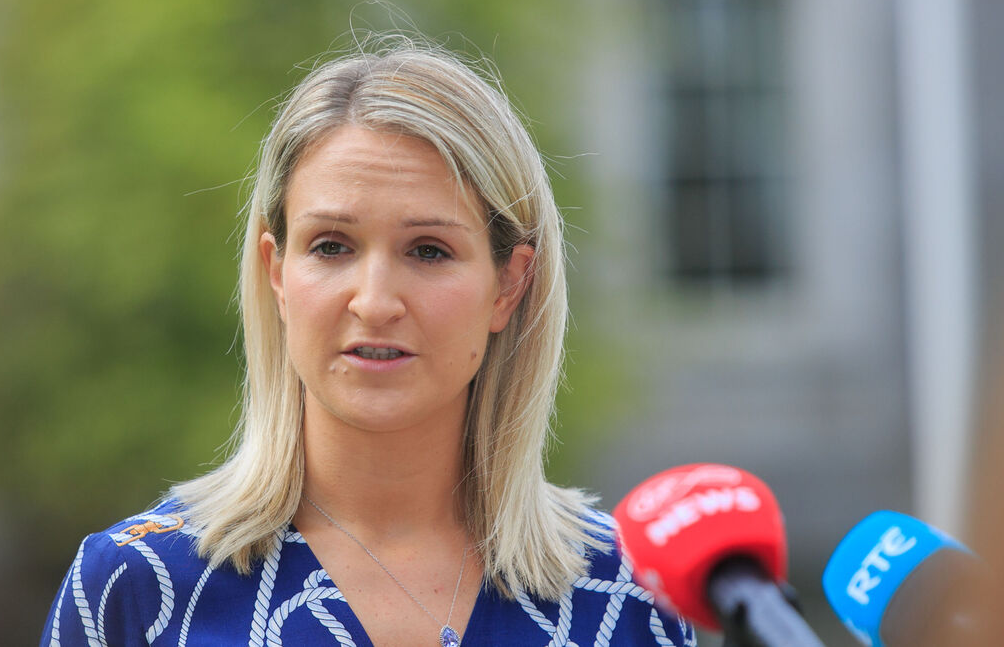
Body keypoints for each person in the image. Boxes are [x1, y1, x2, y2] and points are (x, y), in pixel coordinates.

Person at [40, 36, 695, 646]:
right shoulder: (136, 588)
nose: (375, 302)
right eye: (331, 246)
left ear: (509, 284)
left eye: (429, 250)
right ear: (277, 273)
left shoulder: (632, 596)